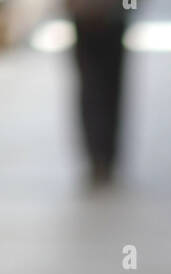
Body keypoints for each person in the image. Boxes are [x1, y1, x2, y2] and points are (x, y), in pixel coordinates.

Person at [65, 0, 129, 186]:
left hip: (97, 14)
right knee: (101, 86)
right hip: (99, 14)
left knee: (97, 86)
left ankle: (101, 157)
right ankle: (101, 156)